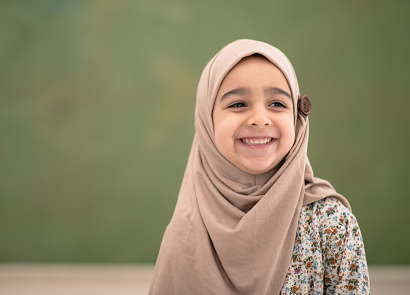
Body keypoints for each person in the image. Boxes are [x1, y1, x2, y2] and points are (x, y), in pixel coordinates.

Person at [149, 40, 369, 294]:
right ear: (207, 120)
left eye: (277, 104)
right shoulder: (185, 234)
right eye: (238, 104)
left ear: (297, 118)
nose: (260, 120)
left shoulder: (331, 225)